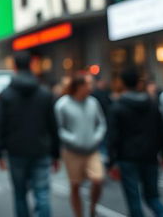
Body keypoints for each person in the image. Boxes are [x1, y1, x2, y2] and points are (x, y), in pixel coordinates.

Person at [0, 51, 60, 217]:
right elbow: (53, 125)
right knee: (42, 194)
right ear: (31, 65)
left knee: (20, 194)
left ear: (14, 66)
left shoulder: (6, 94)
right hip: (41, 150)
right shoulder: (44, 93)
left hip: (16, 151)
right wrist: (56, 154)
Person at [108, 67, 163, 217]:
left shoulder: (117, 107)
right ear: (138, 83)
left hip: (127, 157)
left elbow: (113, 137)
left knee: (133, 200)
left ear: (122, 83)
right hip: (150, 155)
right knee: (153, 197)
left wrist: (112, 162)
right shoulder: (152, 104)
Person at [55, 74, 107, 217]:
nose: (91, 87)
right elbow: (58, 128)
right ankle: (79, 214)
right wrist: (73, 139)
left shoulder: (93, 102)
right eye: (88, 84)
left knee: (98, 179)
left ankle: (92, 206)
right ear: (79, 86)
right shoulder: (62, 104)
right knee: (75, 185)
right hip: (72, 152)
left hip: (92, 150)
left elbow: (101, 124)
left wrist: (96, 137)